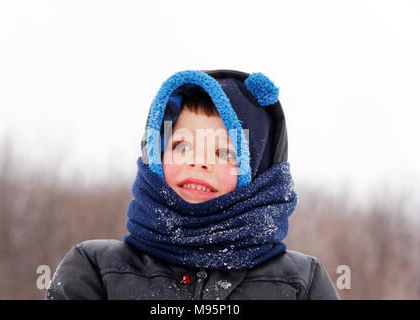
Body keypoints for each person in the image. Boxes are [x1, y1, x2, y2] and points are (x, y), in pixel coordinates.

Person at [46, 69, 339, 300]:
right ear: (156, 156)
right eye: (182, 146)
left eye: (224, 152)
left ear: (260, 173)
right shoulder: (96, 270)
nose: (199, 163)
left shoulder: (300, 283)